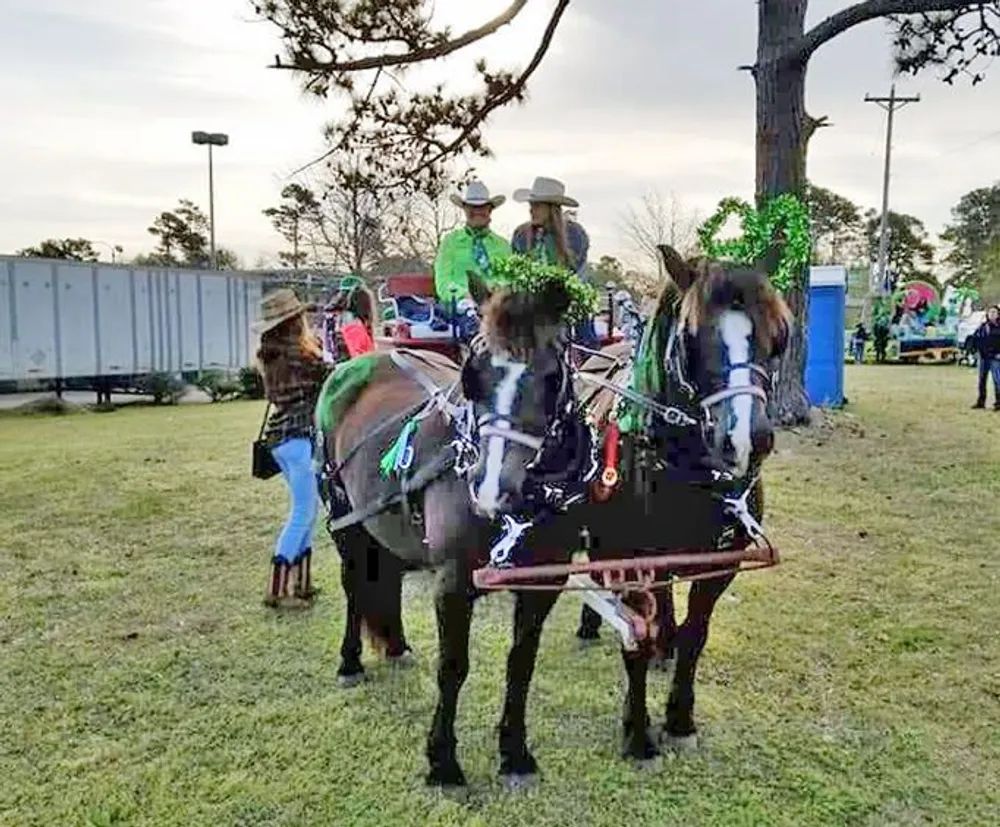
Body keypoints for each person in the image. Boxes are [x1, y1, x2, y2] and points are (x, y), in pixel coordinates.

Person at [253, 288, 331, 607]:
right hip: (299, 438)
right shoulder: (299, 353)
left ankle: (302, 583)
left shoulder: (269, 354)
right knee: (303, 511)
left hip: (281, 439)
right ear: (293, 320)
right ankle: (277, 590)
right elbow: (330, 377)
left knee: (306, 510)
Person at [509, 176, 597, 350]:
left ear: (551, 209)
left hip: (566, 296)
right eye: (531, 206)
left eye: (537, 206)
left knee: (581, 315)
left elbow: (575, 274)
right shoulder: (521, 235)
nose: (531, 211)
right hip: (531, 299)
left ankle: (589, 356)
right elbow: (517, 273)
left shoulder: (574, 235)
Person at [433, 180, 512, 340]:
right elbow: (443, 281)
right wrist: (466, 295)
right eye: (472, 207)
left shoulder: (503, 245)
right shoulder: (451, 242)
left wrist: (494, 293)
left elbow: (510, 279)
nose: (477, 211)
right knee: (469, 317)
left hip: (495, 304)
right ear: (465, 210)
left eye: (482, 207)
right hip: (460, 304)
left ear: (490, 210)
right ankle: (478, 345)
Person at [968, 304, 1000, 409]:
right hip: (983, 357)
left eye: (994, 312)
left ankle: (998, 402)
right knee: (982, 380)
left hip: (995, 357)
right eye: (990, 312)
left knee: (997, 380)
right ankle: (981, 402)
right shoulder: (983, 327)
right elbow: (974, 338)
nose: (992, 314)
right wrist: (974, 351)